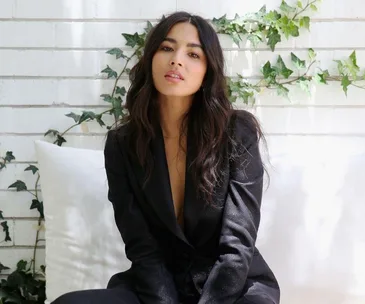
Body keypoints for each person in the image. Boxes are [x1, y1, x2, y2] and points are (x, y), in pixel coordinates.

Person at [52, 11, 280, 304]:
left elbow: (237, 246)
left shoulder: (237, 132)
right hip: (157, 288)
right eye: (167, 48)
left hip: (231, 288)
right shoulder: (122, 145)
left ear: (207, 71)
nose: (177, 60)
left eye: (193, 54)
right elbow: (142, 247)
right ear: (151, 58)